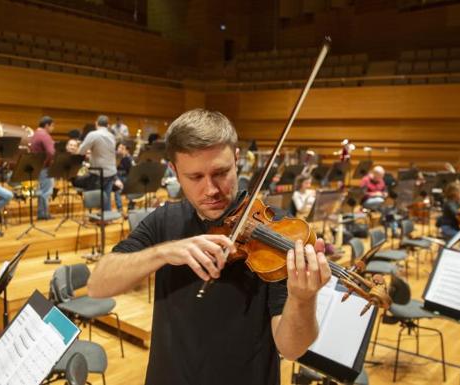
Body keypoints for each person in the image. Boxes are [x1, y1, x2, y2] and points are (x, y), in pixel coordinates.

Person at [87, 108, 332, 385]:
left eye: (220, 172)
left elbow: (291, 348)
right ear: (176, 173)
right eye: (195, 177)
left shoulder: (278, 234)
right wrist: (164, 252)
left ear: (237, 160)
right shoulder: (164, 221)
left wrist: (302, 299)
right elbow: (97, 285)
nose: (211, 190)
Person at [78, 115, 117, 211]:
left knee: (94, 193)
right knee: (106, 195)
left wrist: (90, 153)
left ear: (96, 123)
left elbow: (81, 151)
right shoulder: (112, 136)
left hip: (99, 172)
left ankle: (95, 215)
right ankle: (107, 216)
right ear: (108, 125)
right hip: (111, 170)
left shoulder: (93, 134)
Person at [30, 116, 56, 220]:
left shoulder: (35, 134)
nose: (53, 128)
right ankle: (44, 214)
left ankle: (42, 213)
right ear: (47, 125)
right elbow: (51, 152)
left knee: (42, 191)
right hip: (45, 167)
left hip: (38, 166)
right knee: (46, 191)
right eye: (52, 126)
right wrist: (50, 162)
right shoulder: (44, 135)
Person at [114, 142, 134, 211]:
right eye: (119, 148)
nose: (120, 150)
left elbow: (132, 169)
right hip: (117, 177)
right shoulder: (114, 157)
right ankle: (120, 209)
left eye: (122, 148)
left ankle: (131, 207)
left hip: (126, 176)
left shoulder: (128, 158)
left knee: (132, 187)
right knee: (118, 189)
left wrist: (127, 156)